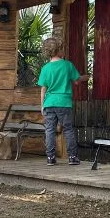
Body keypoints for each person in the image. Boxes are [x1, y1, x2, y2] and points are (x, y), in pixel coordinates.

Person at [38, 36, 88, 165]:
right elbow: (77, 81)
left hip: (49, 103)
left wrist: (42, 105)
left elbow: (43, 88)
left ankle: (50, 158)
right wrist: (85, 77)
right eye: (62, 49)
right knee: (68, 129)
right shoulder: (67, 65)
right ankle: (72, 157)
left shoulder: (45, 68)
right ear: (59, 50)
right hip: (64, 103)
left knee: (49, 130)